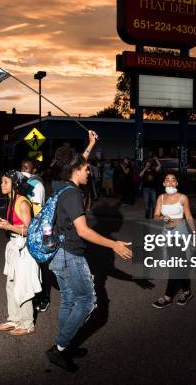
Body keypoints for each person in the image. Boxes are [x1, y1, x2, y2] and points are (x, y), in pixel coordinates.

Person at [45, 132, 132, 373]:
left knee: (69, 300)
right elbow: (83, 231)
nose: (89, 172)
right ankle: (60, 348)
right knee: (87, 301)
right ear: (76, 171)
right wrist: (114, 245)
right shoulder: (72, 194)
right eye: (87, 169)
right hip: (71, 254)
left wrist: (90, 144)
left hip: (58, 252)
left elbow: (78, 161)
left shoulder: (61, 185)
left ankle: (65, 344)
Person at [0, 170, 41, 337]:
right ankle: (14, 319)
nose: (2, 185)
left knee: (23, 286)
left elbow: (30, 230)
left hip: (24, 249)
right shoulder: (11, 200)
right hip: (14, 246)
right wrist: (7, 224)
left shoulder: (22, 203)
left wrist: (9, 227)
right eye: (2, 182)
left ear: (14, 185)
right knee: (11, 284)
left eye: (5, 182)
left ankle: (27, 324)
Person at [152, 172, 196, 308]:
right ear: (164, 183)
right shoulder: (160, 198)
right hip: (167, 233)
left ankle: (167, 297)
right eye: (168, 180)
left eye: (173, 180)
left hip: (180, 233)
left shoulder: (183, 198)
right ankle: (186, 291)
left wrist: (195, 234)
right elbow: (156, 216)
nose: (170, 182)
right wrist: (162, 218)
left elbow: (188, 216)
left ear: (176, 183)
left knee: (175, 265)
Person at [21, 158, 50, 313]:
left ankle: (44, 298)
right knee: (33, 266)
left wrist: (36, 233)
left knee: (41, 265)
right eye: (22, 167)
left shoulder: (37, 185)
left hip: (38, 229)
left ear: (33, 171)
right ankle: (34, 295)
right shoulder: (24, 182)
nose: (24, 170)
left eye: (27, 168)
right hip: (28, 228)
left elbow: (38, 211)